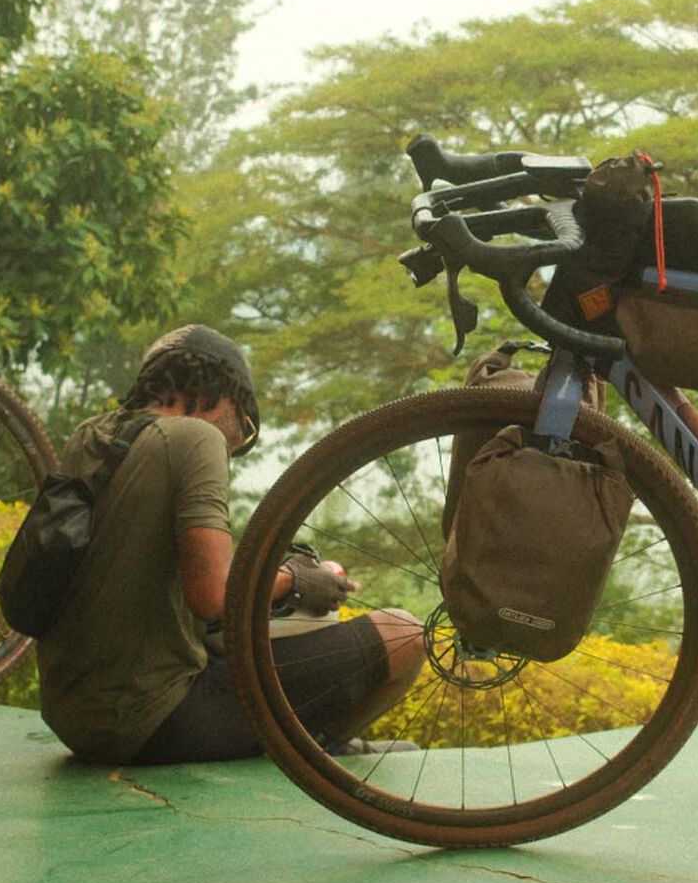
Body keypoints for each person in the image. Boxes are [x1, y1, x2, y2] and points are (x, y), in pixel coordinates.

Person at [34, 325, 425, 765]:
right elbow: (213, 596)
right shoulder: (197, 438)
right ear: (222, 391)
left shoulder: (92, 436)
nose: (235, 440)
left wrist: (276, 579)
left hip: (72, 716)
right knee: (402, 634)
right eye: (242, 422)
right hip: (150, 720)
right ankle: (323, 748)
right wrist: (295, 581)